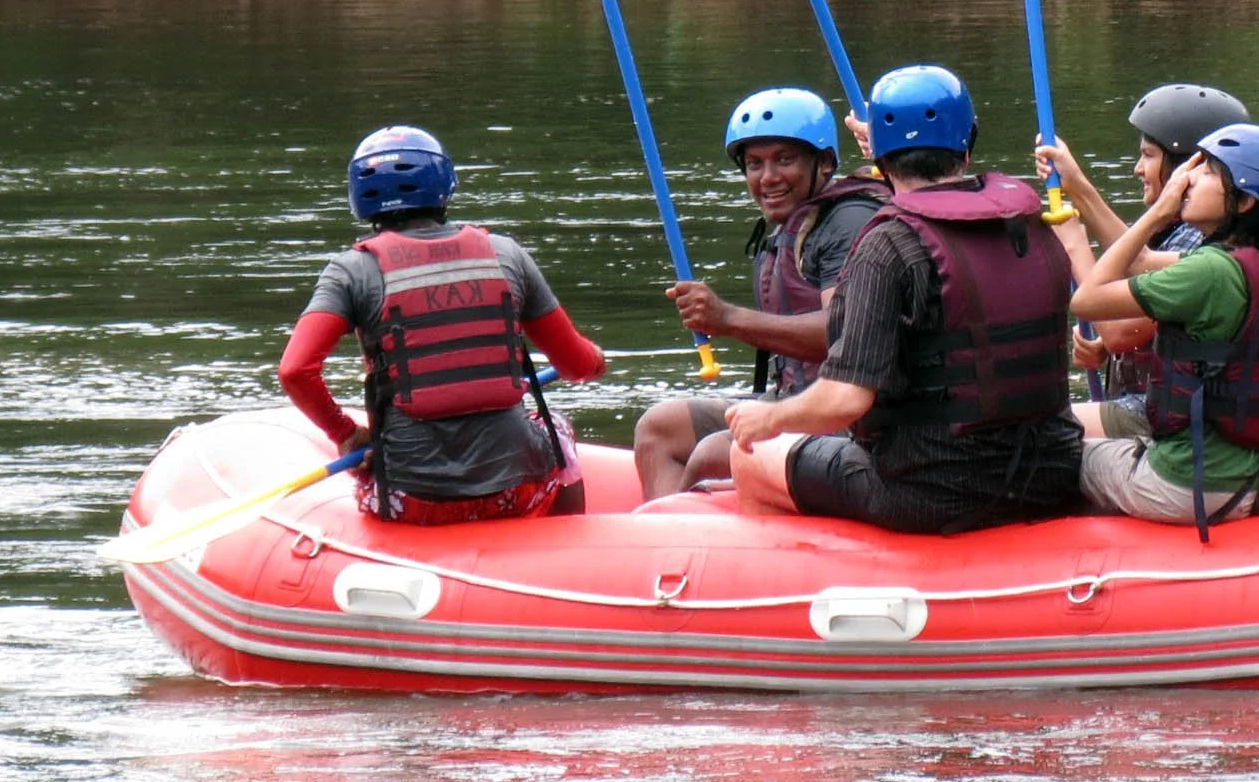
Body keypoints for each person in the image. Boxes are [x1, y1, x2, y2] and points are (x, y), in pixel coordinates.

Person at [722, 65, 1084, 533]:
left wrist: (770, 418)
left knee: (747, 455)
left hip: (930, 493)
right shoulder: (1031, 223)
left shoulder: (888, 244)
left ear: (882, 162)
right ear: (968, 145)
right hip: (1050, 477)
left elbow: (844, 399)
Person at [279, 126, 607, 524]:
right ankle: (566, 537)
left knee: (373, 463)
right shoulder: (507, 255)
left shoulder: (351, 271)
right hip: (515, 490)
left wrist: (344, 431)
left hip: (410, 498)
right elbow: (575, 366)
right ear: (444, 185)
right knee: (557, 427)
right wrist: (595, 359)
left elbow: (295, 371)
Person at [631, 88, 886, 499]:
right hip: (792, 396)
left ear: (823, 163)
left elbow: (844, 333)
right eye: (754, 164)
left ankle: (686, 545)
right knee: (658, 427)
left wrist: (727, 319)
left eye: (784, 160)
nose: (767, 178)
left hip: (846, 412)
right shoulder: (799, 220)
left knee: (713, 454)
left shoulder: (849, 221)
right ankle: (659, 541)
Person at [1067, 123, 1259, 537]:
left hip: (1190, 487)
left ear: (1246, 200)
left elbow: (1086, 300)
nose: (1186, 178)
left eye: (1207, 172)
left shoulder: (1209, 271)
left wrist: (1157, 213)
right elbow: (1145, 262)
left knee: (1059, 452)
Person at [1033, 82, 1250, 437]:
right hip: (1158, 406)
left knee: (1039, 428)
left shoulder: (1211, 248)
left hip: (1175, 422)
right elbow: (1137, 267)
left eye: (1148, 155)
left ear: (1188, 167)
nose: (1137, 168)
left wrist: (1074, 243)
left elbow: (1118, 328)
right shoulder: (1178, 231)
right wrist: (1103, 347)